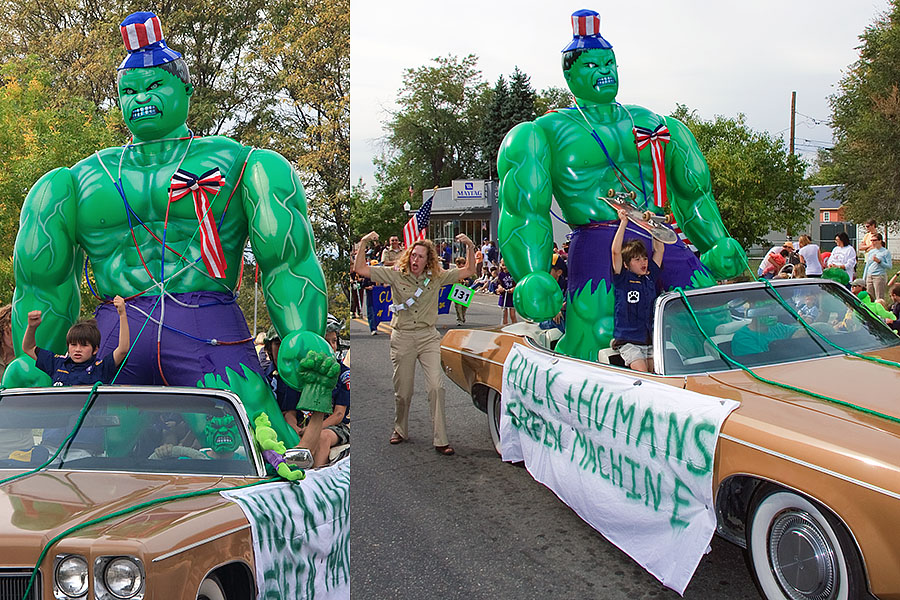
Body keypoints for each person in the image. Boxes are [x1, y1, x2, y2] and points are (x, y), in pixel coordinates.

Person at [3, 11, 336, 452]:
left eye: (155, 84)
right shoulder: (74, 183)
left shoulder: (247, 164)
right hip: (116, 331)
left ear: (186, 89)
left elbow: (286, 259)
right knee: (74, 458)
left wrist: (300, 334)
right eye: (129, 90)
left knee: (261, 453)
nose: (141, 97)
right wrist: (39, 358)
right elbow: (42, 282)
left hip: (209, 324)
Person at [497, 10, 744, 362]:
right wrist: (532, 275)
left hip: (658, 233)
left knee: (706, 313)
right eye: (591, 65)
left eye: (609, 63)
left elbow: (694, 191)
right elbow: (524, 210)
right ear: (569, 73)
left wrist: (716, 240)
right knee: (599, 331)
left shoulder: (655, 122)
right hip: (599, 239)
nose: (604, 72)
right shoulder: (542, 133)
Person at [354, 231, 476, 456]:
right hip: (403, 337)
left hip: (428, 336)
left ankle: (441, 439)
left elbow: (469, 271)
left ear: (428, 259)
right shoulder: (396, 274)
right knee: (404, 391)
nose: (415, 260)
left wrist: (469, 246)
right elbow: (361, 269)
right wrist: (363, 243)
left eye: (420, 257)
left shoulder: (437, 276)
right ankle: (400, 428)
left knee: (436, 387)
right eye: (413, 256)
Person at [23, 296, 129, 385]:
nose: (78, 349)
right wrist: (32, 327)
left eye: (84, 345)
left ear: (95, 349)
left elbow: (123, 350)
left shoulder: (101, 368)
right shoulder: (57, 363)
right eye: (73, 345)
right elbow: (28, 348)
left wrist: (122, 314)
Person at [610, 208, 664, 372]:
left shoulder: (649, 276)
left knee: (659, 374)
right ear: (626, 264)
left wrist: (654, 226)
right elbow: (615, 251)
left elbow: (659, 250)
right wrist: (623, 222)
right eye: (637, 259)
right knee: (644, 376)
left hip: (649, 341)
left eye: (644, 258)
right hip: (629, 342)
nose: (643, 262)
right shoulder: (622, 278)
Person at [310, 319, 350, 467]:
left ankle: (317, 477)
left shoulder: (344, 374)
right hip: (305, 422)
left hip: (334, 426)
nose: (332, 347)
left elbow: (339, 415)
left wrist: (313, 429)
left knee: (322, 437)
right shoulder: (304, 373)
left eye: (334, 341)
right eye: (327, 342)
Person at [732, 304, 800, 356]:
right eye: (766, 307)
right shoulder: (742, 337)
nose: (771, 311)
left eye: (774, 307)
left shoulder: (778, 327)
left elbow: (800, 332)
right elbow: (764, 360)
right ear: (753, 308)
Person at [863, 233, 892, 302]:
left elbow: (889, 266)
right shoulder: (871, 252)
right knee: (869, 297)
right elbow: (867, 265)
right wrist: (864, 278)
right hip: (870, 276)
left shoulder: (885, 252)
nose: (872, 242)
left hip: (879, 276)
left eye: (874, 240)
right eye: (871, 240)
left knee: (879, 298)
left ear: (880, 241)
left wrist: (879, 262)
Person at [496, 259, 517, 325]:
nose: (504, 267)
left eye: (506, 265)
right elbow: (499, 283)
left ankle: (515, 326)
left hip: (511, 295)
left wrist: (514, 288)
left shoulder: (514, 273)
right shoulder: (501, 274)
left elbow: (517, 283)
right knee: (504, 313)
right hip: (504, 294)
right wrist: (500, 287)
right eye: (503, 265)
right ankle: (504, 326)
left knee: (512, 314)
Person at [454, 256, 470, 326]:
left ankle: (463, 316)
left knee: (464, 305)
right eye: (460, 264)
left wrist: (467, 281)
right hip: (457, 289)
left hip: (465, 289)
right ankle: (459, 319)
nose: (462, 265)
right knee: (458, 305)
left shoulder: (466, 270)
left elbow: (472, 278)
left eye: (463, 263)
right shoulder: (455, 271)